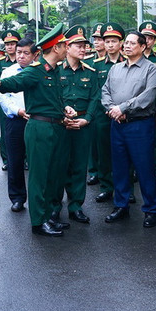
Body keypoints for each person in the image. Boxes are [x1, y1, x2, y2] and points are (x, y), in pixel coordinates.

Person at [0, 24, 70, 237]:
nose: (67, 48)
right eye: (64, 45)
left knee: (53, 175)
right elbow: (17, 82)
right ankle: (38, 221)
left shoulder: (55, 71)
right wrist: (0, 84)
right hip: (40, 128)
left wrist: (65, 109)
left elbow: (55, 98)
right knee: (39, 176)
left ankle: (50, 215)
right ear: (55, 48)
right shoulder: (35, 70)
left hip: (56, 127)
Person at [101, 30, 156, 228]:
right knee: (119, 168)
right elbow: (105, 91)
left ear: (143, 47)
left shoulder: (150, 69)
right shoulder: (115, 69)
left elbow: (148, 96)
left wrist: (123, 108)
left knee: (144, 168)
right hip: (117, 124)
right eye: (125, 43)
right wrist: (112, 109)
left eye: (131, 43)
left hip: (139, 125)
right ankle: (121, 205)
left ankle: (151, 209)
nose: (126, 46)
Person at [53, 26, 102, 225]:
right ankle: (55, 206)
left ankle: (76, 206)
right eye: (78, 46)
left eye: (85, 46)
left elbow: (95, 98)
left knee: (80, 166)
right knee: (59, 166)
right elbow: (53, 97)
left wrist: (87, 118)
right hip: (61, 125)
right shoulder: (56, 71)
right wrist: (62, 117)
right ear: (67, 47)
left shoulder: (90, 73)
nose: (83, 50)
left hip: (83, 124)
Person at [0, 37, 37, 212]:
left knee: (38, 161)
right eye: (18, 52)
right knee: (15, 161)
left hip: (37, 121)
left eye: (25, 53)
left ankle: (40, 197)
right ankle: (17, 197)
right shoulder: (9, 71)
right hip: (15, 120)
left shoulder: (41, 71)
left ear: (35, 55)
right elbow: (2, 96)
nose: (21, 56)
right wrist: (18, 111)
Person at [91, 22, 125, 204]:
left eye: (114, 41)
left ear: (121, 43)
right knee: (103, 153)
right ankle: (106, 187)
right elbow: (96, 91)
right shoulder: (95, 65)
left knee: (124, 154)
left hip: (123, 116)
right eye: (107, 41)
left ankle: (125, 189)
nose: (110, 45)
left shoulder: (128, 61)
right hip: (102, 116)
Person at [0, 30, 21, 170]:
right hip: (5, 103)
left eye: (12, 44)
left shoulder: (24, 61)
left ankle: (23, 159)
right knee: (5, 132)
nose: (9, 47)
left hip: (21, 101)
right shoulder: (0, 63)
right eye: (7, 44)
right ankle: (6, 159)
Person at [86, 23, 106, 186]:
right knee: (94, 144)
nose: (97, 42)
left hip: (112, 110)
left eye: (100, 39)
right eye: (95, 39)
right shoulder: (90, 63)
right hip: (96, 110)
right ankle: (94, 172)